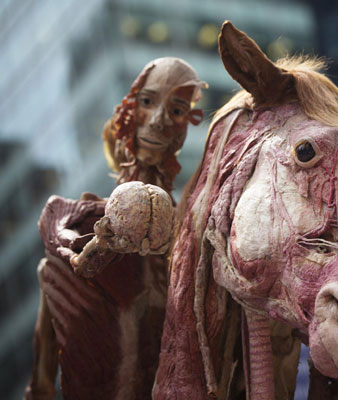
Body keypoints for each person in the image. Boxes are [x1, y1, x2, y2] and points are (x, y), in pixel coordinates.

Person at [24, 57, 206, 400]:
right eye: (148, 102)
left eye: (178, 110)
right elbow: (42, 383)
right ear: (128, 112)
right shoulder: (83, 219)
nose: (158, 121)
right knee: (49, 268)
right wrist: (87, 248)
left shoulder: (192, 238)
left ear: (185, 128)